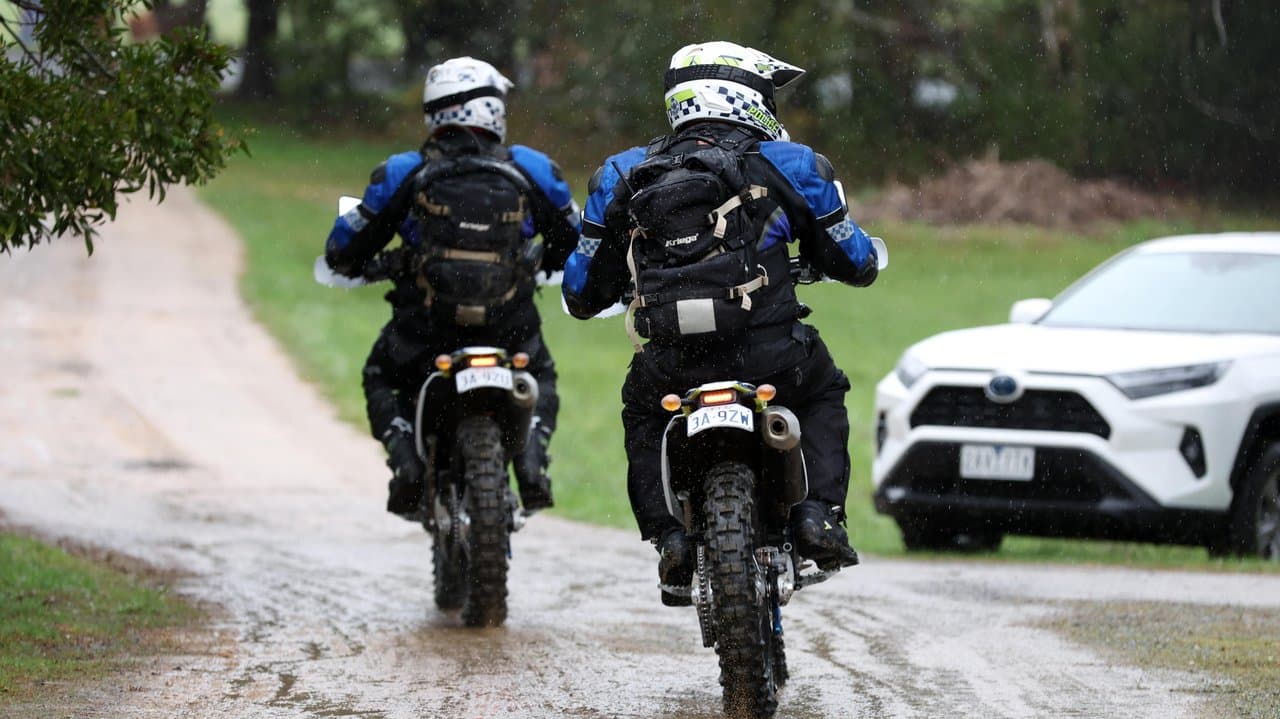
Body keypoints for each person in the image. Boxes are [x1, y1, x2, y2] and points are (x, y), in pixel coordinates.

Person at [562, 41, 880, 604]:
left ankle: (669, 541)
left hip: (672, 368)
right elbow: (854, 264)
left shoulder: (620, 172)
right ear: (746, 96)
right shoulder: (794, 164)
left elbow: (582, 292)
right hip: (772, 359)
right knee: (824, 388)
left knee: (642, 411)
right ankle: (817, 515)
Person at [324, 57, 579, 517]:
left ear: (437, 112)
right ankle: (534, 466)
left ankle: (405, 467)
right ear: (491, 110)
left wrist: (385, 263)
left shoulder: (405, 170)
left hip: (426, 330)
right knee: (541, 376)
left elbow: (346, 248)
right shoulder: (531, 168)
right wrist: (538, 262)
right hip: (508, 327)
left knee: (379, 375)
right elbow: (574, 241)